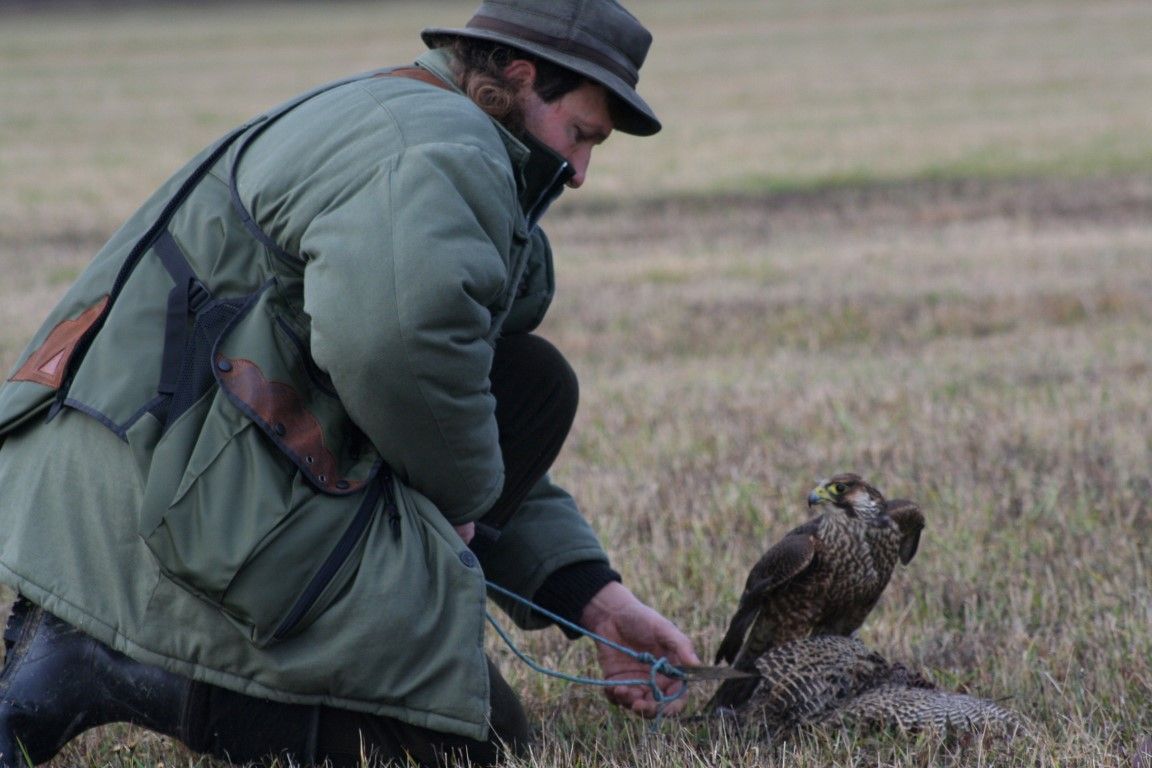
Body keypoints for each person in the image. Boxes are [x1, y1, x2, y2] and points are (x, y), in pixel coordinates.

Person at [0, 0, 700, 766]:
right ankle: (112, 664)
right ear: (521, 78)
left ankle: (84, 641)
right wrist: (458, 503)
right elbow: (395, 351)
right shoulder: (442, 145)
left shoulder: (399, 112)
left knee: (529, 383)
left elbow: (449, 388)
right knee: (461, 745)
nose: (582, 172)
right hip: (144, 507)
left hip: (118, 473)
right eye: (583, 135)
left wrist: (591, 595)